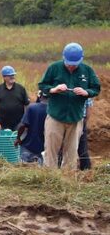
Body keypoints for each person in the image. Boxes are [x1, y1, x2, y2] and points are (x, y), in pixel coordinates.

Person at [38, 42, 101, 171]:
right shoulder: (54, 68)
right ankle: (50, 177)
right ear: (63, 58)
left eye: (75, 63)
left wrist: (86, 92)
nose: (72, 66)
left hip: (76, 117)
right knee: (51, 149)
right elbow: (42, 85)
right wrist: (54, 89)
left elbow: (96, 88)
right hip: (55, 116)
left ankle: (68, 178)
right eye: (69, 63)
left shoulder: (87, 70)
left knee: (71, 152)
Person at [0, 65, 30, 131]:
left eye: (13, 75)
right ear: (4, 77)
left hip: (18, 124)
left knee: (18, 140)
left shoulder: (21, 89)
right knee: (2, 141)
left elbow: (27, 104)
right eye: (10, 75)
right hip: (2, 124)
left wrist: (25, 120)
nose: (12, 77)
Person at [15, 91, 47, 165]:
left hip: (28, 146)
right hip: (45, 149)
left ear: (39, 96)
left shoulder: (32, 107)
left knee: (24, 169)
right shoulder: (54, 111)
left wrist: (18, 138)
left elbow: (22, 125)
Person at [79, 98, 93, 170]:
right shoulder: (86, 90)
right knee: (82, 146)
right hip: (81, 118)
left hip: (66, 119)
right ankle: (86, 169)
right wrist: (85, 122)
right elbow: (89, 108)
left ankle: (59, 167)